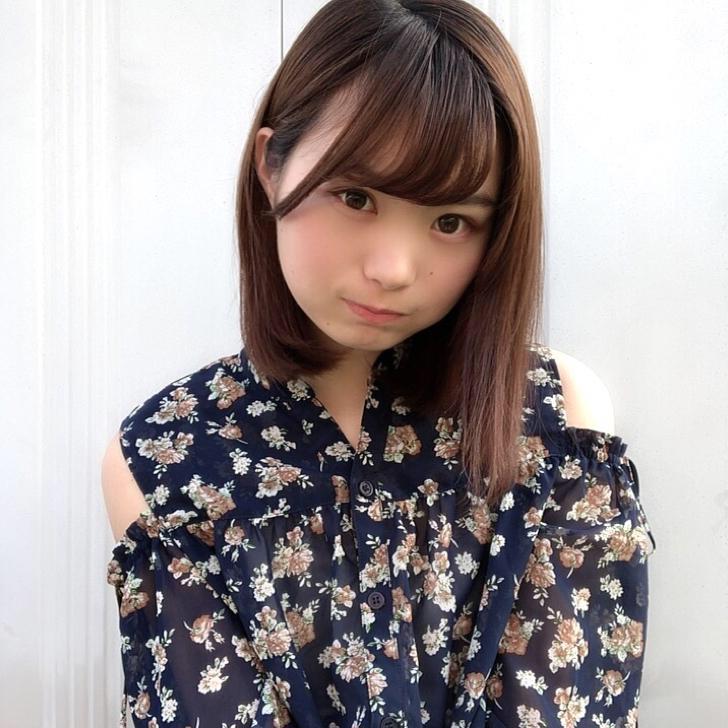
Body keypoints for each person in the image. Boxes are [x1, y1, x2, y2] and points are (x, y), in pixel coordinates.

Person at [102, 1, 657, 726]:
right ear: (272, 166)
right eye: (356, 196)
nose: (393, 268)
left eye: (450, 221)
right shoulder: (164, 459)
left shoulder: (558, 423)